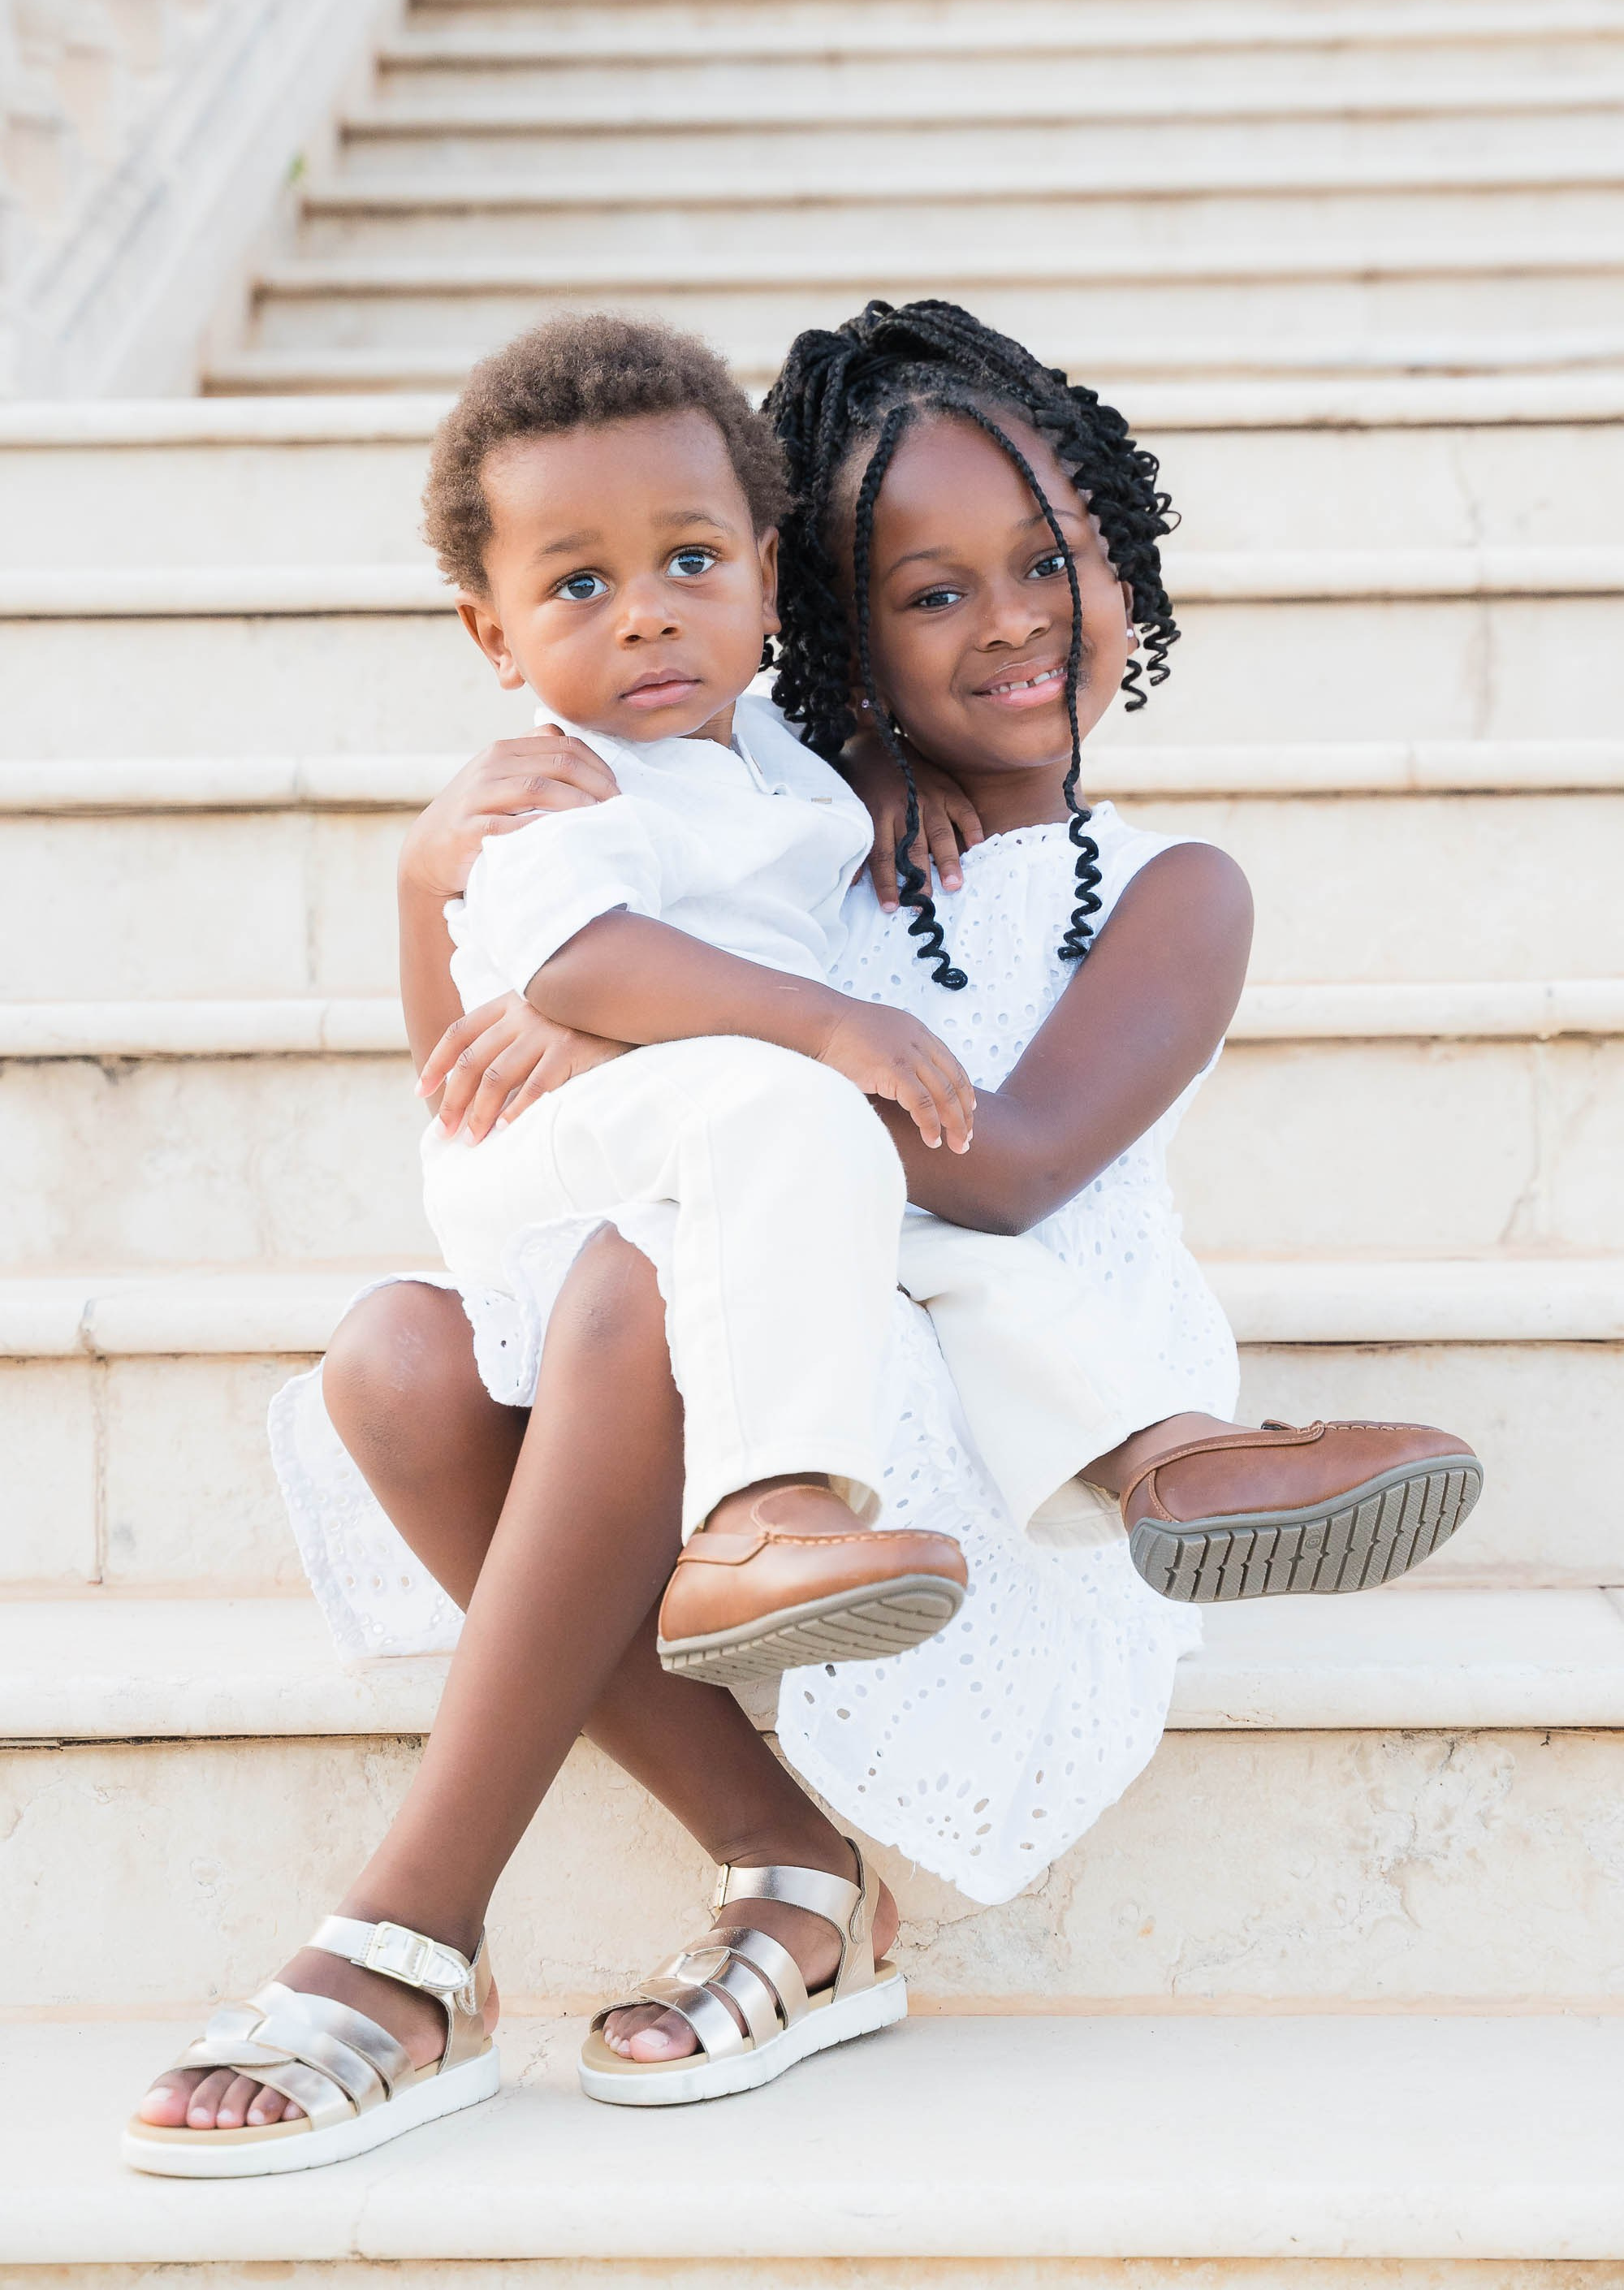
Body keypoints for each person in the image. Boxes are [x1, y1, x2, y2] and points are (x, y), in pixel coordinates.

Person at [126, 300, 1480, 2171]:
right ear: (833, 619)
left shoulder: (1159, 886)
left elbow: (1001, 1168)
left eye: (1046, 563)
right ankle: (794, 1861)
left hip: (963, 1382)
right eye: (931, 593)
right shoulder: (788, 822)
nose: (1006, 622)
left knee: (649, 1268)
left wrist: (709, 1035)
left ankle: (412, 1930)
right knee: (393, 1357)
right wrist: (443, 879)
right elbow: (480, 1083)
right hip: (753, 1332)